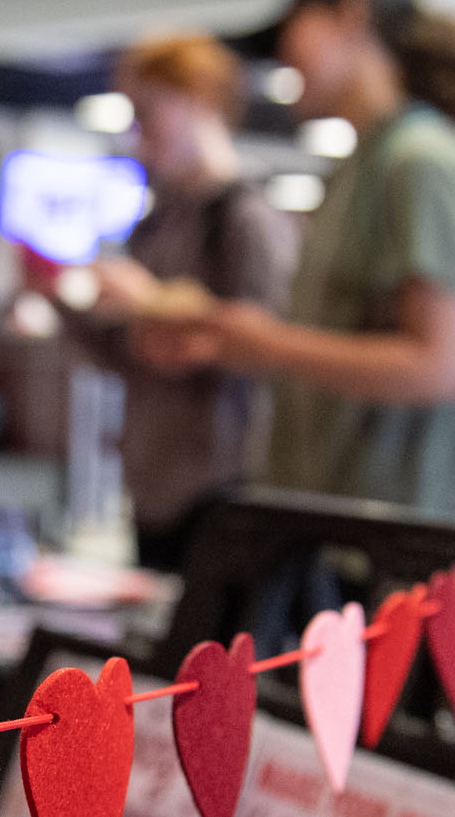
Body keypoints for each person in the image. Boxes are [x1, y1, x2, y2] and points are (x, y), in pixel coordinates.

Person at [125, 0, 455, 520]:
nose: (284, 57)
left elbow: (438, 366)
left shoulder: (421, 161)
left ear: (351, 16)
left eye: (293, 31)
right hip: (342, 519)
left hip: (399, 538)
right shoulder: (362, 165)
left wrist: (266, 344)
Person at [64, 31, 297, 569]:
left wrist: (153, 305)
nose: (137, 132)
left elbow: (274, 350)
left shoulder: (245, 218)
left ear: (199, 99)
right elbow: (133, 359)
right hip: (152, 485)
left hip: (224, 487)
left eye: (148, 111)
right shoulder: (155, 223)